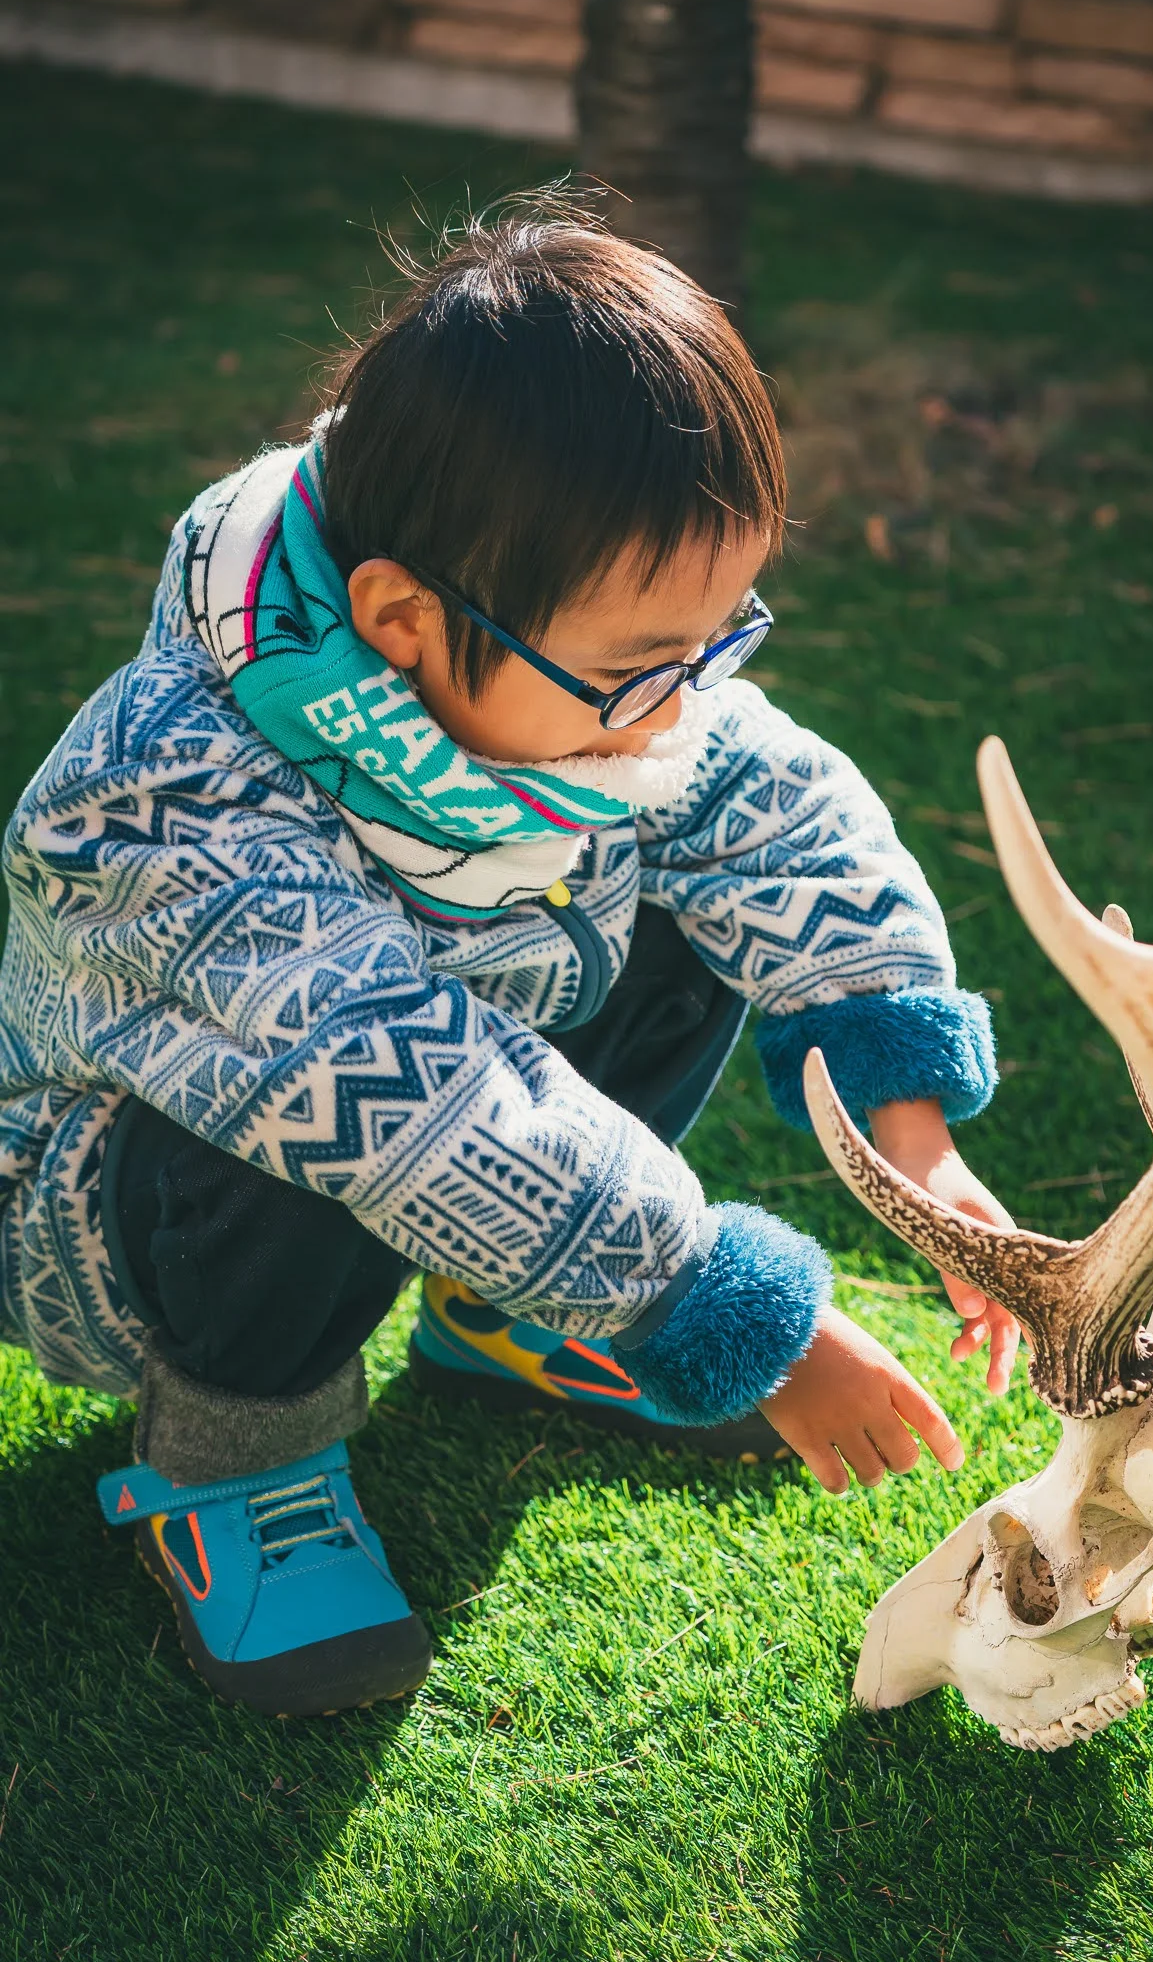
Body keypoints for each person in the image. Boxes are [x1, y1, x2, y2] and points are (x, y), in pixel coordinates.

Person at [0, 194, 1018, 1718]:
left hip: (446, 1088)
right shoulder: (164, 816)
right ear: (401, 622)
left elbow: (775, 808)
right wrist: (728, 1309)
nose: (677, 708)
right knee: (308, 1118)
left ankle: (518, 1315)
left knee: (688, 868)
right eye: (635, 669)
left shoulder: (572, 667)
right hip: (112, 1223)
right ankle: (238, 1462)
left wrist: (908, 1125)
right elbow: (412, 1103)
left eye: (715, 641)